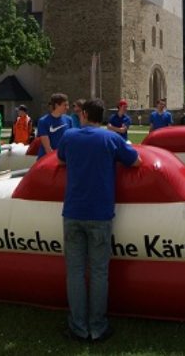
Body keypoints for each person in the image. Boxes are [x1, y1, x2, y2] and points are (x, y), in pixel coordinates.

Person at [57, 98, 141, 343]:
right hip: (100, 213)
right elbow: (136, 161)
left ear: (83, 113)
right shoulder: (111, 139)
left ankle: (78, 326)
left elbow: (60, 159)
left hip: (73, 211)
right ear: (102, 116)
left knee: (74, 272)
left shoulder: (70, 137)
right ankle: (97, 326)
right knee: (98, 272)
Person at [37, 93, 72, 159]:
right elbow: (47, 148)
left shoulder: (69, 120)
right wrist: (56, 160)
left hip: (63, 159)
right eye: (65, 105)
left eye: (67, 105)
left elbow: (70, 141)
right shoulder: (43, 121)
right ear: (56, 105)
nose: (67, 108)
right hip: (47, 159)